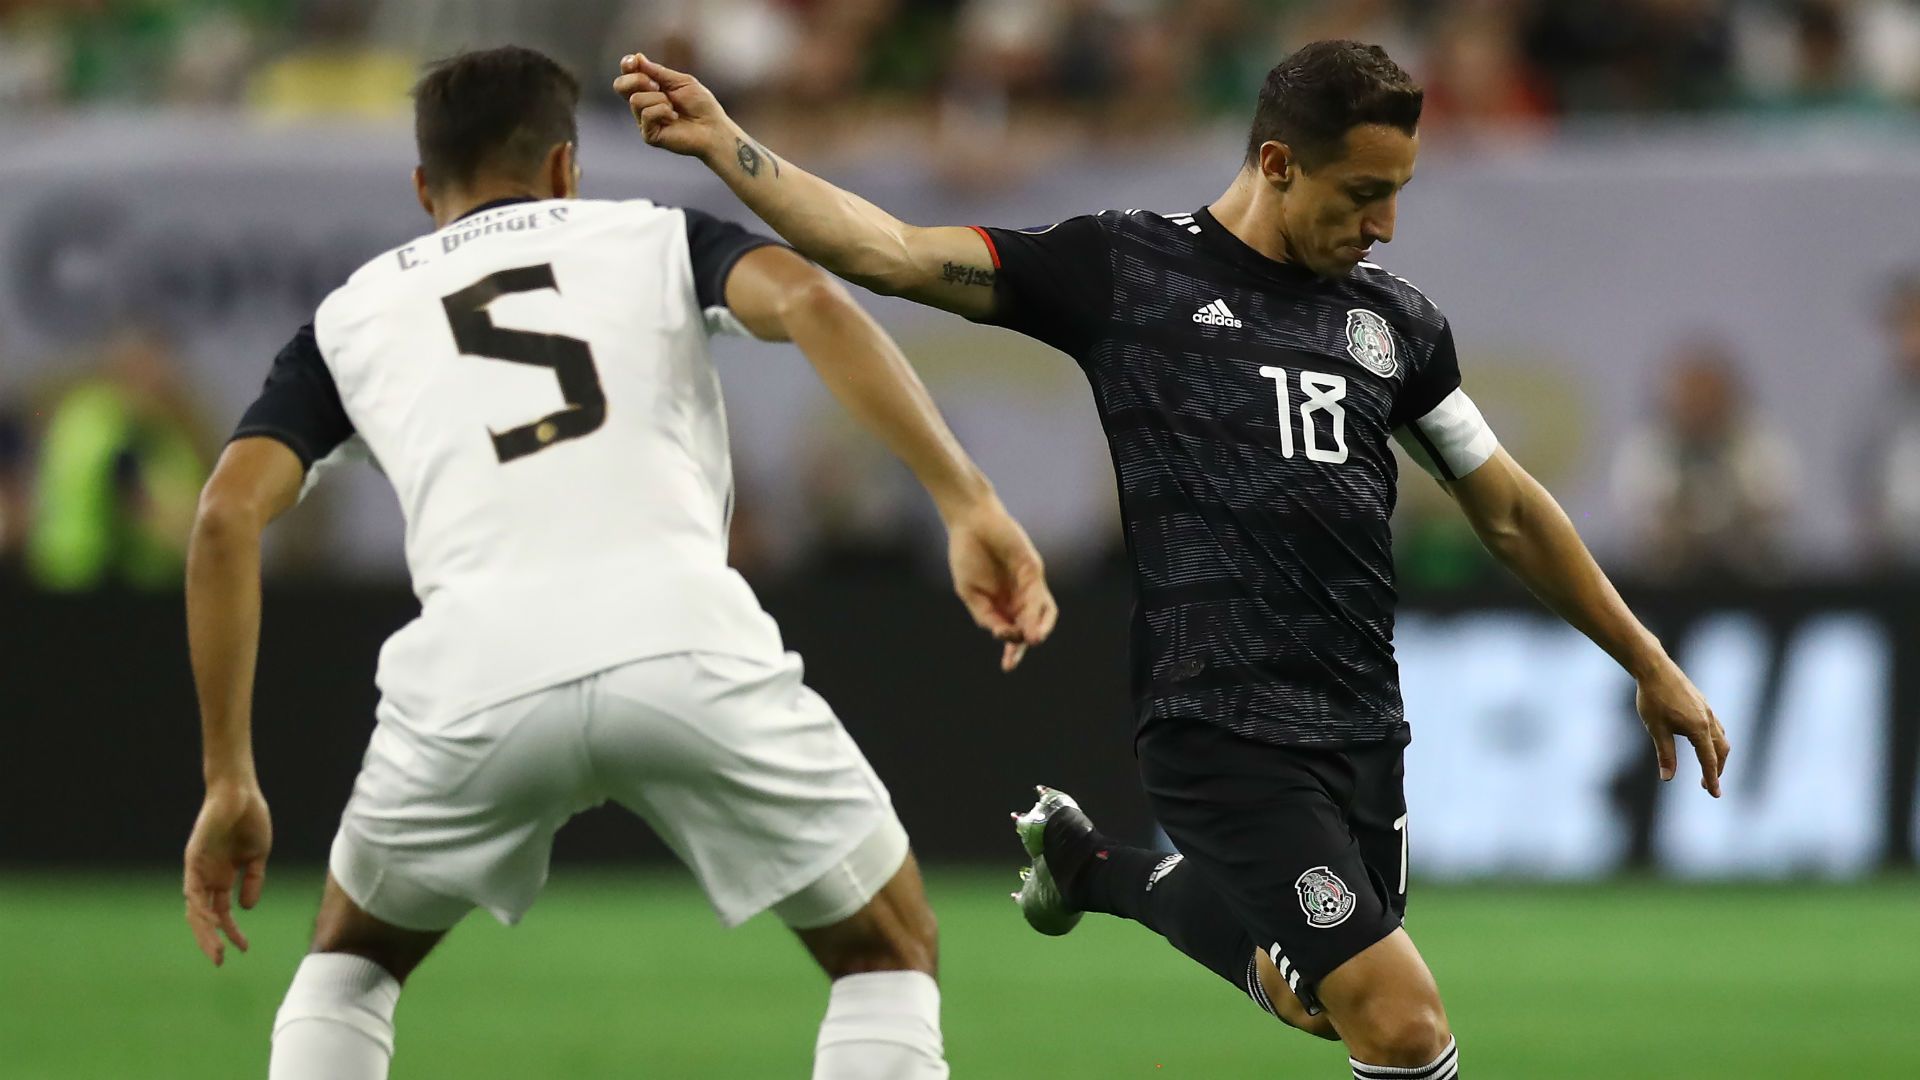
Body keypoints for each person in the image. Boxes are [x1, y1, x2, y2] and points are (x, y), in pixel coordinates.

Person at [616, 39, 1730, 1079]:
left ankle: (1093, 870)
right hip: (1220, 727)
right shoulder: (1123, 271)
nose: (1387, 224)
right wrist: (733, 148)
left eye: (1401, 192)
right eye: (1361, 195)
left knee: (1314, 1002)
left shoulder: (1395, 329)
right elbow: (890, 253)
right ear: (1279, 164)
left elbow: (1511, 512)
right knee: (1401, 1017)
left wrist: (1647, 658)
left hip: (1361, 726)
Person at [182, 46, 1056, 1080]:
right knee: (888, 952)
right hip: (682, 645)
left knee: (350, 965)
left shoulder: (346, 321)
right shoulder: (655, 237)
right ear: (564, 167)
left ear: (424, 188)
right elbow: (817, 305)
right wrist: (969, 500)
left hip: (472, 679)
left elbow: (224, 520)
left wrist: (230, 778)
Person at [1611, 337, 1794, 581]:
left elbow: (1774, 512)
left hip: (1749, 580)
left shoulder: (1759, 442)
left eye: (1709, 394)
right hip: (1665, 583)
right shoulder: (1647, 447)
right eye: (1690, 395)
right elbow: (1644, 521)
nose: (1700, 404)